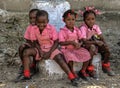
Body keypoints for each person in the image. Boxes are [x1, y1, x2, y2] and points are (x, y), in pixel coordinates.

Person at [20, 10, 78, 86]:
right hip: (40, 48)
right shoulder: (34, 29)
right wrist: (40, 51)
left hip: (51, 48)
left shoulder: (51, 28)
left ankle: (71, 76)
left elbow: (56, 42)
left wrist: (49, 53)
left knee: (60, 58)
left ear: (47, 21)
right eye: (39, 22)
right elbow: (34, 42)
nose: (41, 24)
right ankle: (26, 74)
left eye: (44, 22)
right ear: (36, 22)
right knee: (26, 52)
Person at [79, 10, 115, 78]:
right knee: (92, 47)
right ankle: (90, 68)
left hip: (95, 43)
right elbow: (84, 41)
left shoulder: (96, 27)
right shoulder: (83, 28)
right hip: (87, 45)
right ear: (84, 20)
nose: (91, 21)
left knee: (106, 48)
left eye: (93, 19)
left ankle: (105, 65)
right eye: (88, 19)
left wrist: (104, 43)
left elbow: (101, 37)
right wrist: (96, 42)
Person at [59, 9, 91, 81]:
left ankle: (83, 70)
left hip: (76, 48)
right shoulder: (62, 31)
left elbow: (81, 38)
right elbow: (61, 42)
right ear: (64, 20)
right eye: (68, 20)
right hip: (67, 49)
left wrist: (80, 44)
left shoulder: (76, 30)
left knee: (87, 54)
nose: (71, 22)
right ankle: (72, 71)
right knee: (69, 57)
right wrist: (71, 42)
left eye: (73, 19)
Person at [15, 9, 40, 82]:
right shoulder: (29, 27)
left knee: (26, 52)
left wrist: (33, 46)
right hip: (32, 45)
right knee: (21, 47)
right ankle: (24, 64)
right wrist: (28, 45)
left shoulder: (40, 27)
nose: (32, 20)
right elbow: (27, 39)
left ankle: (27, 74)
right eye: (30, 18)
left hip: (39, 48)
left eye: (34, 18)